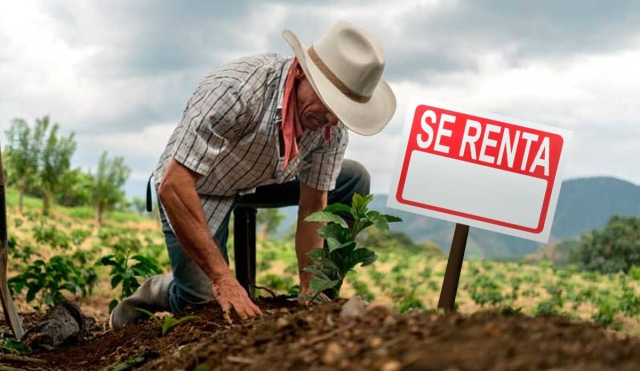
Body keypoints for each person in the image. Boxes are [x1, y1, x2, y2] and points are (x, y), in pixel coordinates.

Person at [109, 19, 397, 330]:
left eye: (340, 112)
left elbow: (314, 205)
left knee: (354, 177)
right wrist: (222, 278)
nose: (330, 120)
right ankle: (158, 290)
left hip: (264, 177)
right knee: (201, 302)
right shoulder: (236, 91)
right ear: (301, 72)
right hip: (199, 185)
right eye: (328, 104)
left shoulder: (330, 126)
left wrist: (310, 288)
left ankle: (322, 297)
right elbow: (175, 186)